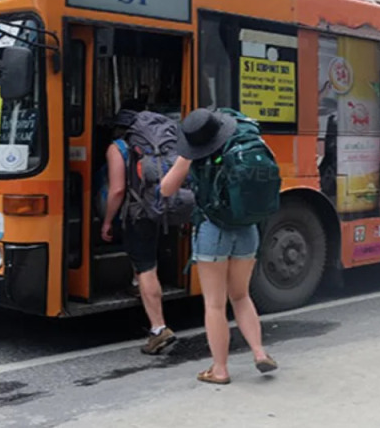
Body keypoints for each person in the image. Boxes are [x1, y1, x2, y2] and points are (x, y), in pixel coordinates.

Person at [159, 108, 278, 385]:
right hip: (247, 228)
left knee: (214, 304)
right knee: (241, 295)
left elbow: (166, 189)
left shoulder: (194, 154)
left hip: (213, 230)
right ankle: (259, 352)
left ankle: (220, 369)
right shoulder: (245, 141)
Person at [100, 107, 176, 355]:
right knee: (146, 261)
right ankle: (136, 285)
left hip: (136, 214)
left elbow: (117, 190)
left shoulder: (117, 148)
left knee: (146, 268)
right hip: (156, 209)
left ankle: (158, 328)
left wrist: (107, 221)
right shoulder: (150, 147)